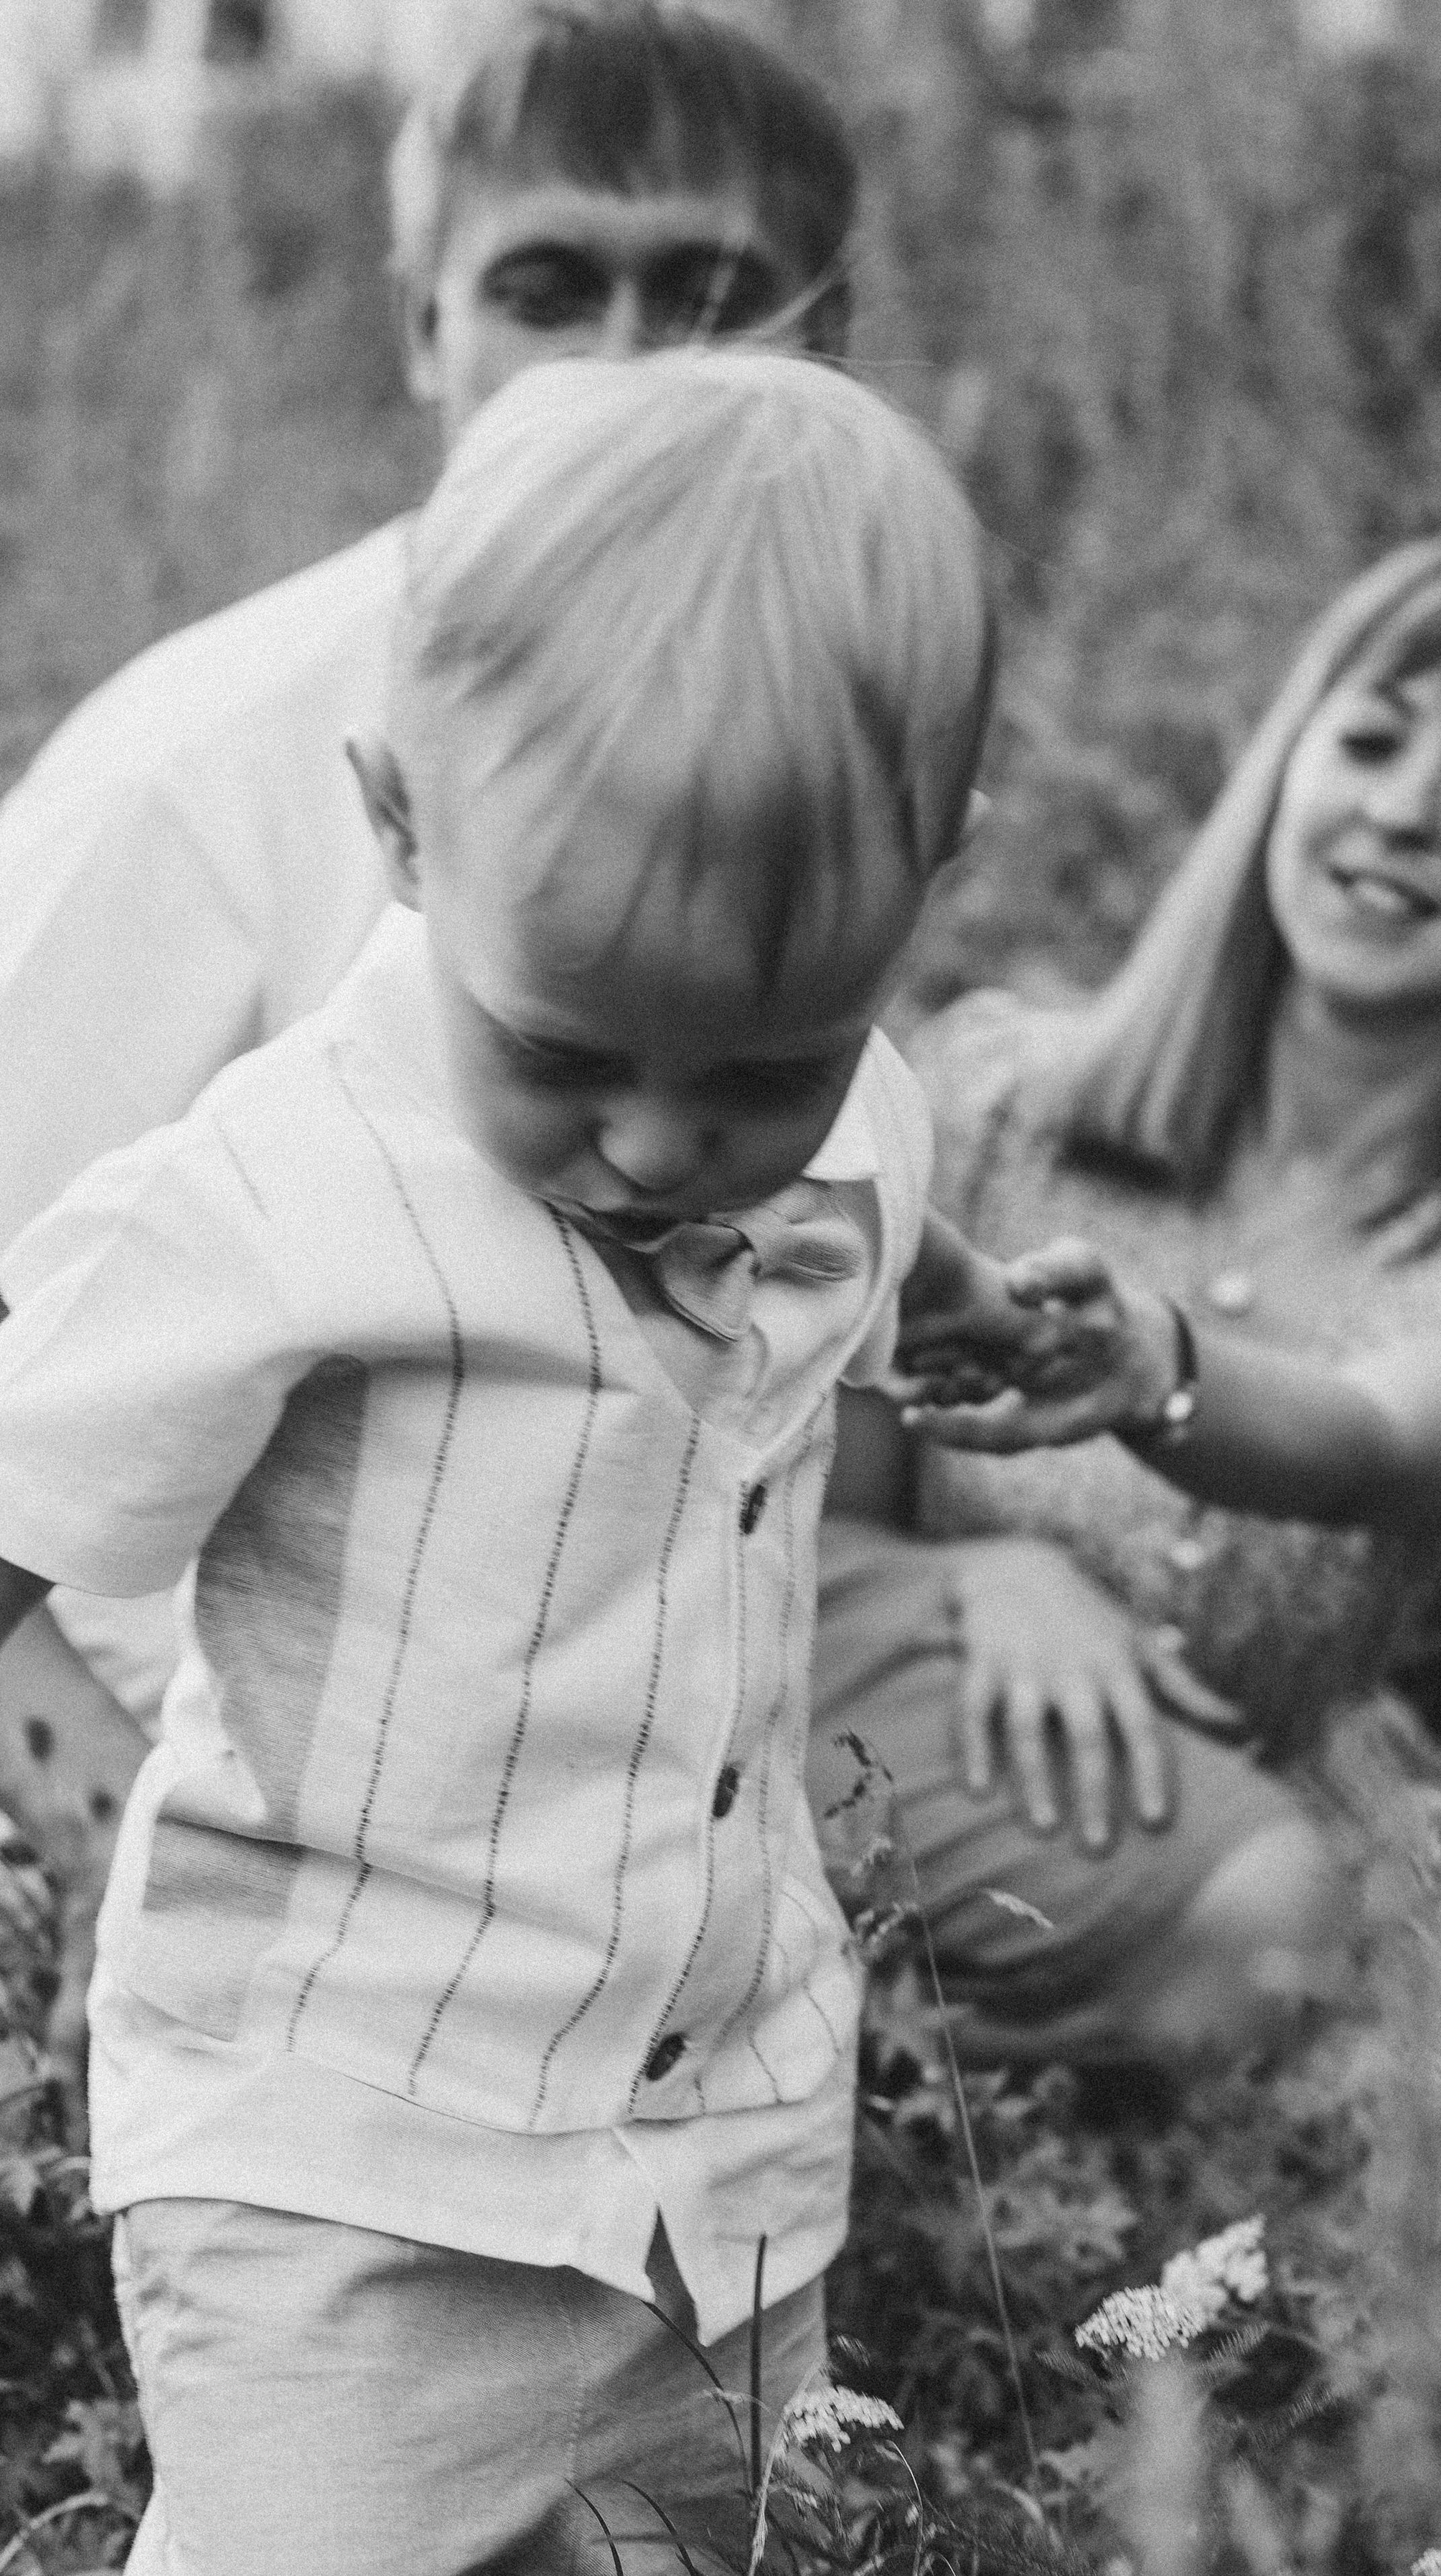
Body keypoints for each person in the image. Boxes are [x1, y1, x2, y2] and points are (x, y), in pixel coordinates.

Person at [0, 347, 1020, 2576]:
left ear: (926, 892)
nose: (663, 1145)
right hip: (337, 2125)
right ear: (397, 824)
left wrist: (975, 1317)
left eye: (757, 1070)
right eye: (565, 1056)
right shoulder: (276, 1192)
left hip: (715, 2127)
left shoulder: (849, 1108)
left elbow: (879, 1194)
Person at [0, 0, 862, 2086]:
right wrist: (124, 1889)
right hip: (271, 1852)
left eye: (711, 292)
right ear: (421, 327)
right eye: (552, 286)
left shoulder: (814, 731)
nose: (626, 363)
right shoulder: (196, 775)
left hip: (668, 1770)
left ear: (829, 341)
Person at [811, 525, 1441, 2202]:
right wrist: (985, 1580)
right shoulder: (998, 1099)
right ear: (1286, 764)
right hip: (883, 1734)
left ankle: (1003, 2106)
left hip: (1241, 1835)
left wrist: (1151, 1367)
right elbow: (810, 1523)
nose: (1403, 812)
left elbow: (1374, 1442)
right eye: (1367, 740)